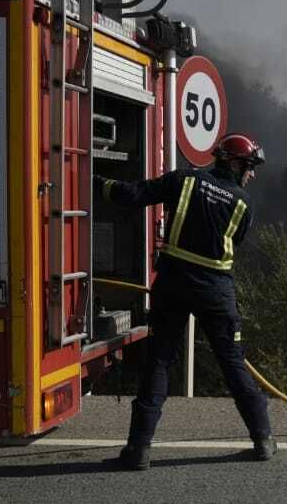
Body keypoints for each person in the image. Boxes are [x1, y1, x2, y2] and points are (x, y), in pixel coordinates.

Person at [96, 133, 274, 469]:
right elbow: (235, 241)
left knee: (159, 362)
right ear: (234, 163)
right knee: (232, 363)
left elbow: (132, 195)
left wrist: (96, 183)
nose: (251, 174)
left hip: (173, 283)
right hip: (216, 290)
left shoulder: (184, 180)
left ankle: (139, 450)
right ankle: (263, 440)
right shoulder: (243, 204)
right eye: (249, 167)